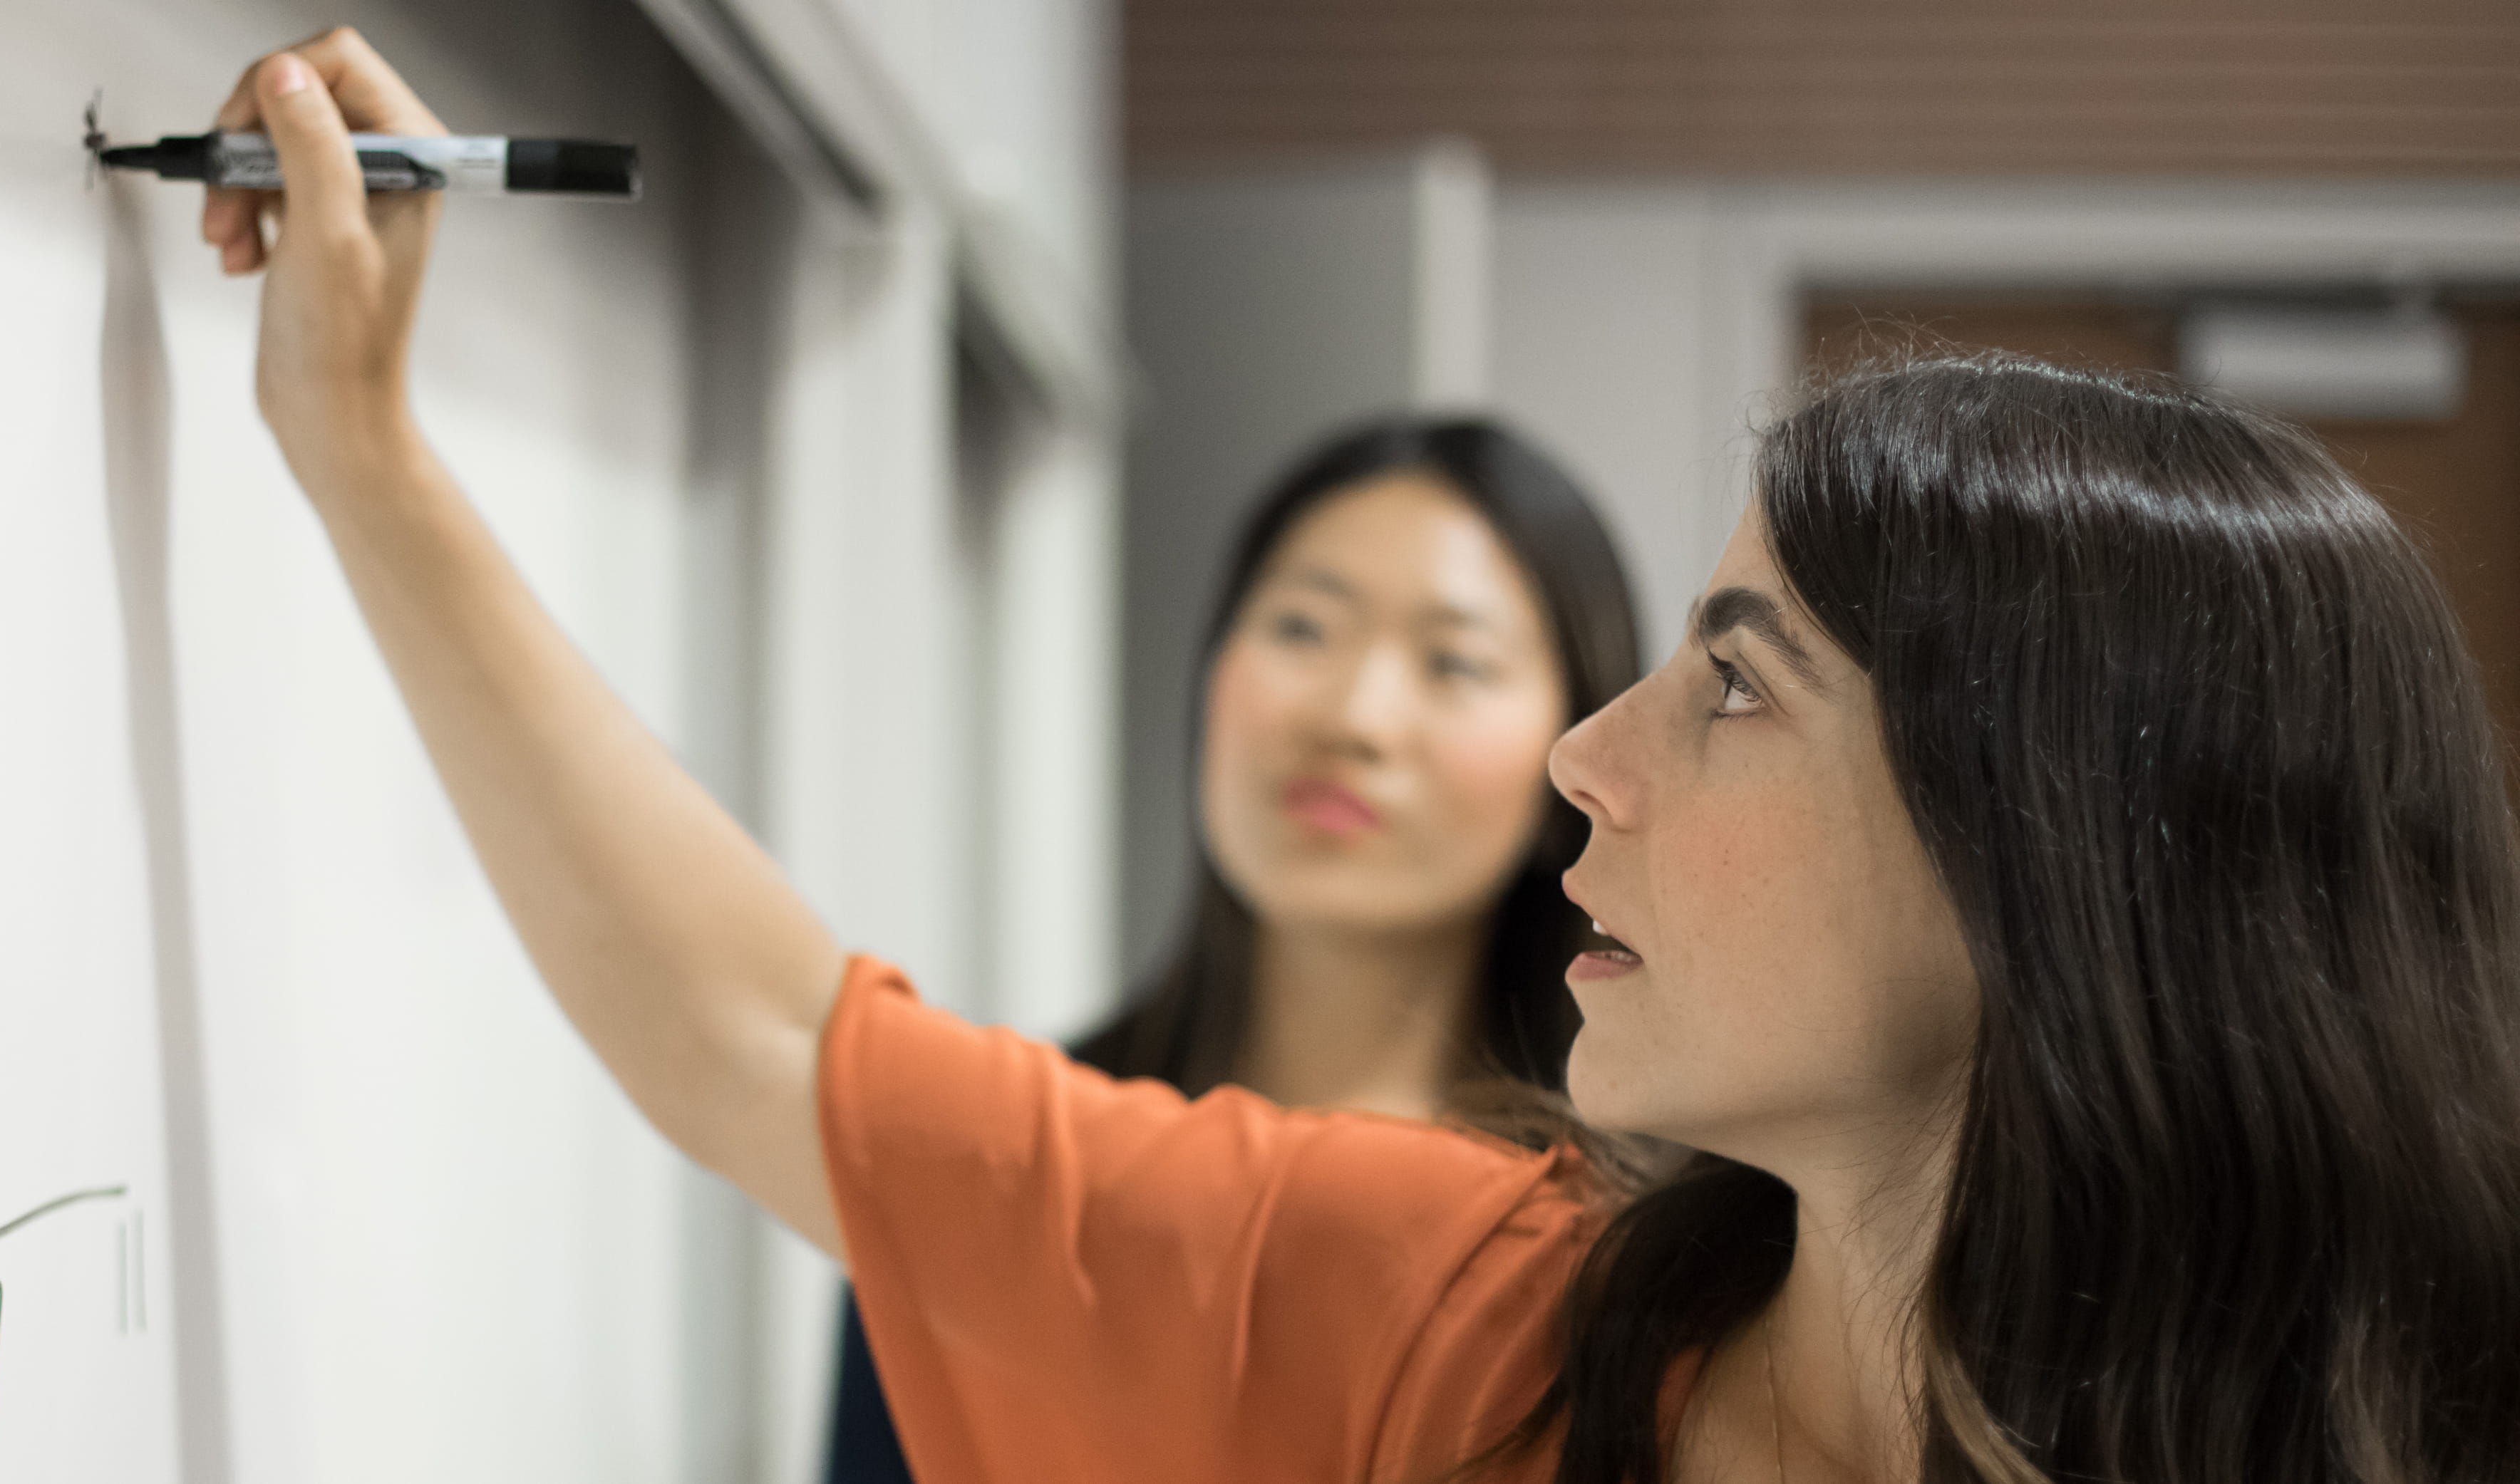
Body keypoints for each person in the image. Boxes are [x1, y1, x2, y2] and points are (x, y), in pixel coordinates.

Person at [202, 31, 2520, 1483]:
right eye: (1303, 624)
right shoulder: (1457, 1317)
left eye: (1732, 680)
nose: (1583, 765)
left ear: (2053, 866)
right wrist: (367, 454)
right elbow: (764, 1042)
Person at [827, 415, 1646, 1483]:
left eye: (1455, 663)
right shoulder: (998, 1151)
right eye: (1304, 630)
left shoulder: (1632, 1245)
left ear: (1571, 767)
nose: (1354, 717)